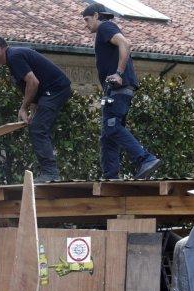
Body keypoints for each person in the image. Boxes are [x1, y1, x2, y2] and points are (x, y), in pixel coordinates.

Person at [82, 3, 161, 180]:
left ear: (96, 15)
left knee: (113, 127)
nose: (85, 24)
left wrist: (118, 73)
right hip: (116, 91)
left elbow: (125, 43)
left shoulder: (105, 27)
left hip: (118, 88)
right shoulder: (105, 30)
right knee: (107, 134)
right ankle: (111, 176)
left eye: (87, 20)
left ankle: (145, 159)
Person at [0, 35, 72, 182]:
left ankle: (51, 173)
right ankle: (49, 172)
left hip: (56, 90)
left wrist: (23, 108)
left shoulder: (14, 56)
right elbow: (36, 85)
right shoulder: (13, 57)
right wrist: (33, 109)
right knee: (36, 124)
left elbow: (33, 82)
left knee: (38, 128)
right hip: (51, 91)